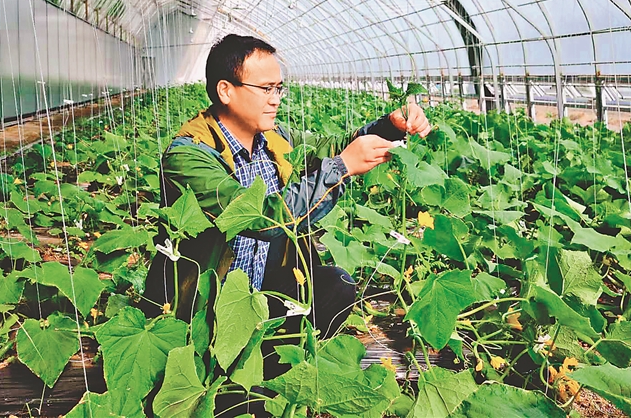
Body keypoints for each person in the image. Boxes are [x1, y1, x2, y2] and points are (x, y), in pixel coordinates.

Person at [141, 33, 431, 343]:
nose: (276, 98)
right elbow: (259, 219)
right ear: (225, 90)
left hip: (261, 292)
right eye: (266, 88)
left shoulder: (273, 138)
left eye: (278, 88)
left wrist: (388, 126)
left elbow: (329, 148)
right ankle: (223, 360)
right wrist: (341, 168)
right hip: (204, 307)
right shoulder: (188, 156)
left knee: (336, 285)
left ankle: (274, 360)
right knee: (211, 334)